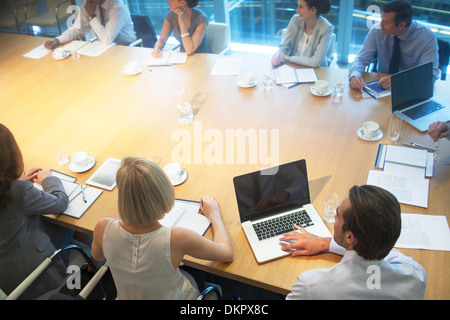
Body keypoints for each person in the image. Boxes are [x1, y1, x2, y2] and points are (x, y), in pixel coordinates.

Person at [91, 156, 233, 300]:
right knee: (196, 269)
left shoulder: (102, 227)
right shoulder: (178, 238)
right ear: (164, 192)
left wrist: (129, 202)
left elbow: (98, 256)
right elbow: (226, 253)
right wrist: (214, 215)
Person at [280, 185, 426, 299]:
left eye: (338, 215)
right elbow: (380, 249)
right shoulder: (415, 275)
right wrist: (326, 243)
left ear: (350, 237)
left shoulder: (311, 286)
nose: (335, 219)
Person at [0, 124, 71, 299]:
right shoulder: (16, 192)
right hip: (40, 276)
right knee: (69, 225)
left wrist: (18, 183)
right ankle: (87, 274)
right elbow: (61, 202)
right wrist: (49, 180)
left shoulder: (12, 189)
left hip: (7, 280)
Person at [349, 0, 439, 91]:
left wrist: (399, 82)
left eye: (386, 22)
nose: (381, 25)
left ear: (401, 25)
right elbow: (361, 59)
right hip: (380, 83)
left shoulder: (427, 37)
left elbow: (430, 76)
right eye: (381, 19)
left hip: (409, 87)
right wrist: (355, 76)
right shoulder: (377, 30)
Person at [44, 0, 136, 50]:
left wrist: (92, 16)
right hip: (103, 48)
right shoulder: (89, 4)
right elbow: (77, 29)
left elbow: (107, 40)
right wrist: (59, 40)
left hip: (124, 48)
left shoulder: (117, 8)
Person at [271, 0, 334, 68]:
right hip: (294, 68)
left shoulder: (326, 28)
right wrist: (277, 56)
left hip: (316, 71)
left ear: (313, 10)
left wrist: (288, 58)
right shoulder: (295, 20)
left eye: (301, 7)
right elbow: (284, 46)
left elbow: (315, 62)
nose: (297, 10)